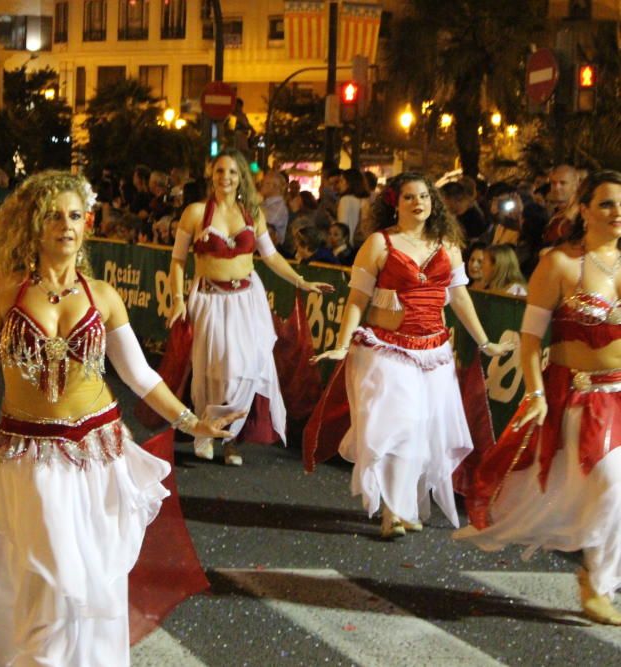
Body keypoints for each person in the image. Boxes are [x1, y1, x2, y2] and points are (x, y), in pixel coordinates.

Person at [0, 170, 238, 665]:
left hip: (97, 454)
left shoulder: (104, 295)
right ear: (34, 225)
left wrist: (191, 422)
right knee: (51, 578)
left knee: (93, 588)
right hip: (29, 456)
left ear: (86, 225)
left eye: (74, 216)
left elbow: (140, 376)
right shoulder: (5, 292)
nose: (65, 225)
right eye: (53, 216)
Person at [455, 170, 621, 625]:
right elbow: (530, 339)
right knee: (611, 486)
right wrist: (535, 392)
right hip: (583, 398)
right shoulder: (559, 264)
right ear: (583, 209)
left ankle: (601, 580)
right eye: (606, 203)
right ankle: (598, 583)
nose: (617, 212)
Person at [311, 173, 513, 538]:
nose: (418, 202)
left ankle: (405, 504)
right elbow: (357, 299)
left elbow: (460, 298)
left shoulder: (448, 246)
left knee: (420, 430)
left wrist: (486, 342)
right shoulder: (379, 244)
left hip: (433, 352)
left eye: (424, 196)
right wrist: (342, 343)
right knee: (397, 426)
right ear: (395, 203)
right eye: (409, 197)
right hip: (385, 348)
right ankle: (392, 511)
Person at [168, 149, 333, 465]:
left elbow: (270, 257)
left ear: (240, 176)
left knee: (244, 368)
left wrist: (300, 281)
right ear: (211, 175)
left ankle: (233, 438)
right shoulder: (194, 212)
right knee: (212, 368)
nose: (225, 178)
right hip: (209, 299)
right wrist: (178, 300)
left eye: (231, 172)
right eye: (219, 171)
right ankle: (206, 429)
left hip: (247, 299)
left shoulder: (252, 213)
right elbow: (177, 260)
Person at [260, 170, 290, 247]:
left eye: (265, 183)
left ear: (274, 186)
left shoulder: (278, 208)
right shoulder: (265, 203)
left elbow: (260, 224)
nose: (261, 185)